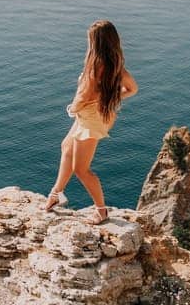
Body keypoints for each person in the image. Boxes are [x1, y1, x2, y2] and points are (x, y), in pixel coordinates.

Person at [45, 20, 138, 223]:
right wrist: (109, 98)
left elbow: (83, 96)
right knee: (66, 147)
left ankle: (101, 210)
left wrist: (73, 108)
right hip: (95, 116)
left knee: (81, 169)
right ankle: (56, 195)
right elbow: (132, 89)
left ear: (96, 42)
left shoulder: (95, 67)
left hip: (89, 120)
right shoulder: (116, 65)